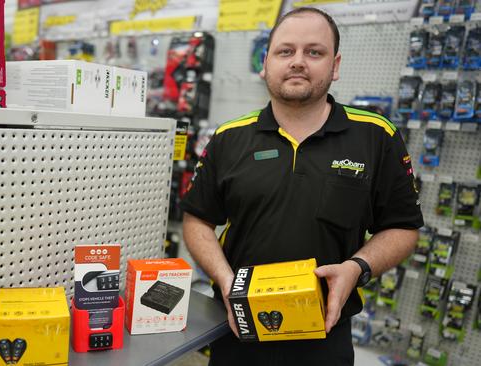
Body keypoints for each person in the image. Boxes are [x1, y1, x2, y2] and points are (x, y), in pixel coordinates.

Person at [180, 7, 423, 365]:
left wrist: (357, 267)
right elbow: (196, 220)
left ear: (335, 65)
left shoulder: (376, 136)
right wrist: (226, 279)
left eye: (314, 52)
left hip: (326, 335)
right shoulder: (229, 138)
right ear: (266, 63)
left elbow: (402, 227)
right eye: (285, 51)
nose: (298, 61)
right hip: (239, 331)